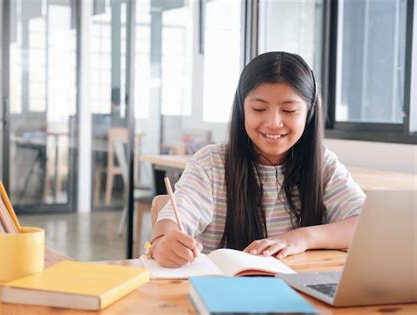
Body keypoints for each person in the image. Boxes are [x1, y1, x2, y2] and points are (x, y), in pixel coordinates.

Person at [149, 51, 366, 268]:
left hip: (299, 292)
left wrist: (302, 238)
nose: (273, 122)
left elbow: (367, 225)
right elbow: (176, 218)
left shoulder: (323, 164)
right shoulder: (211, 164)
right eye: (259, 109)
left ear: (308, 113)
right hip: (223, 293)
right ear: (242, 110)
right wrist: (162, 242)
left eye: (289, 110)